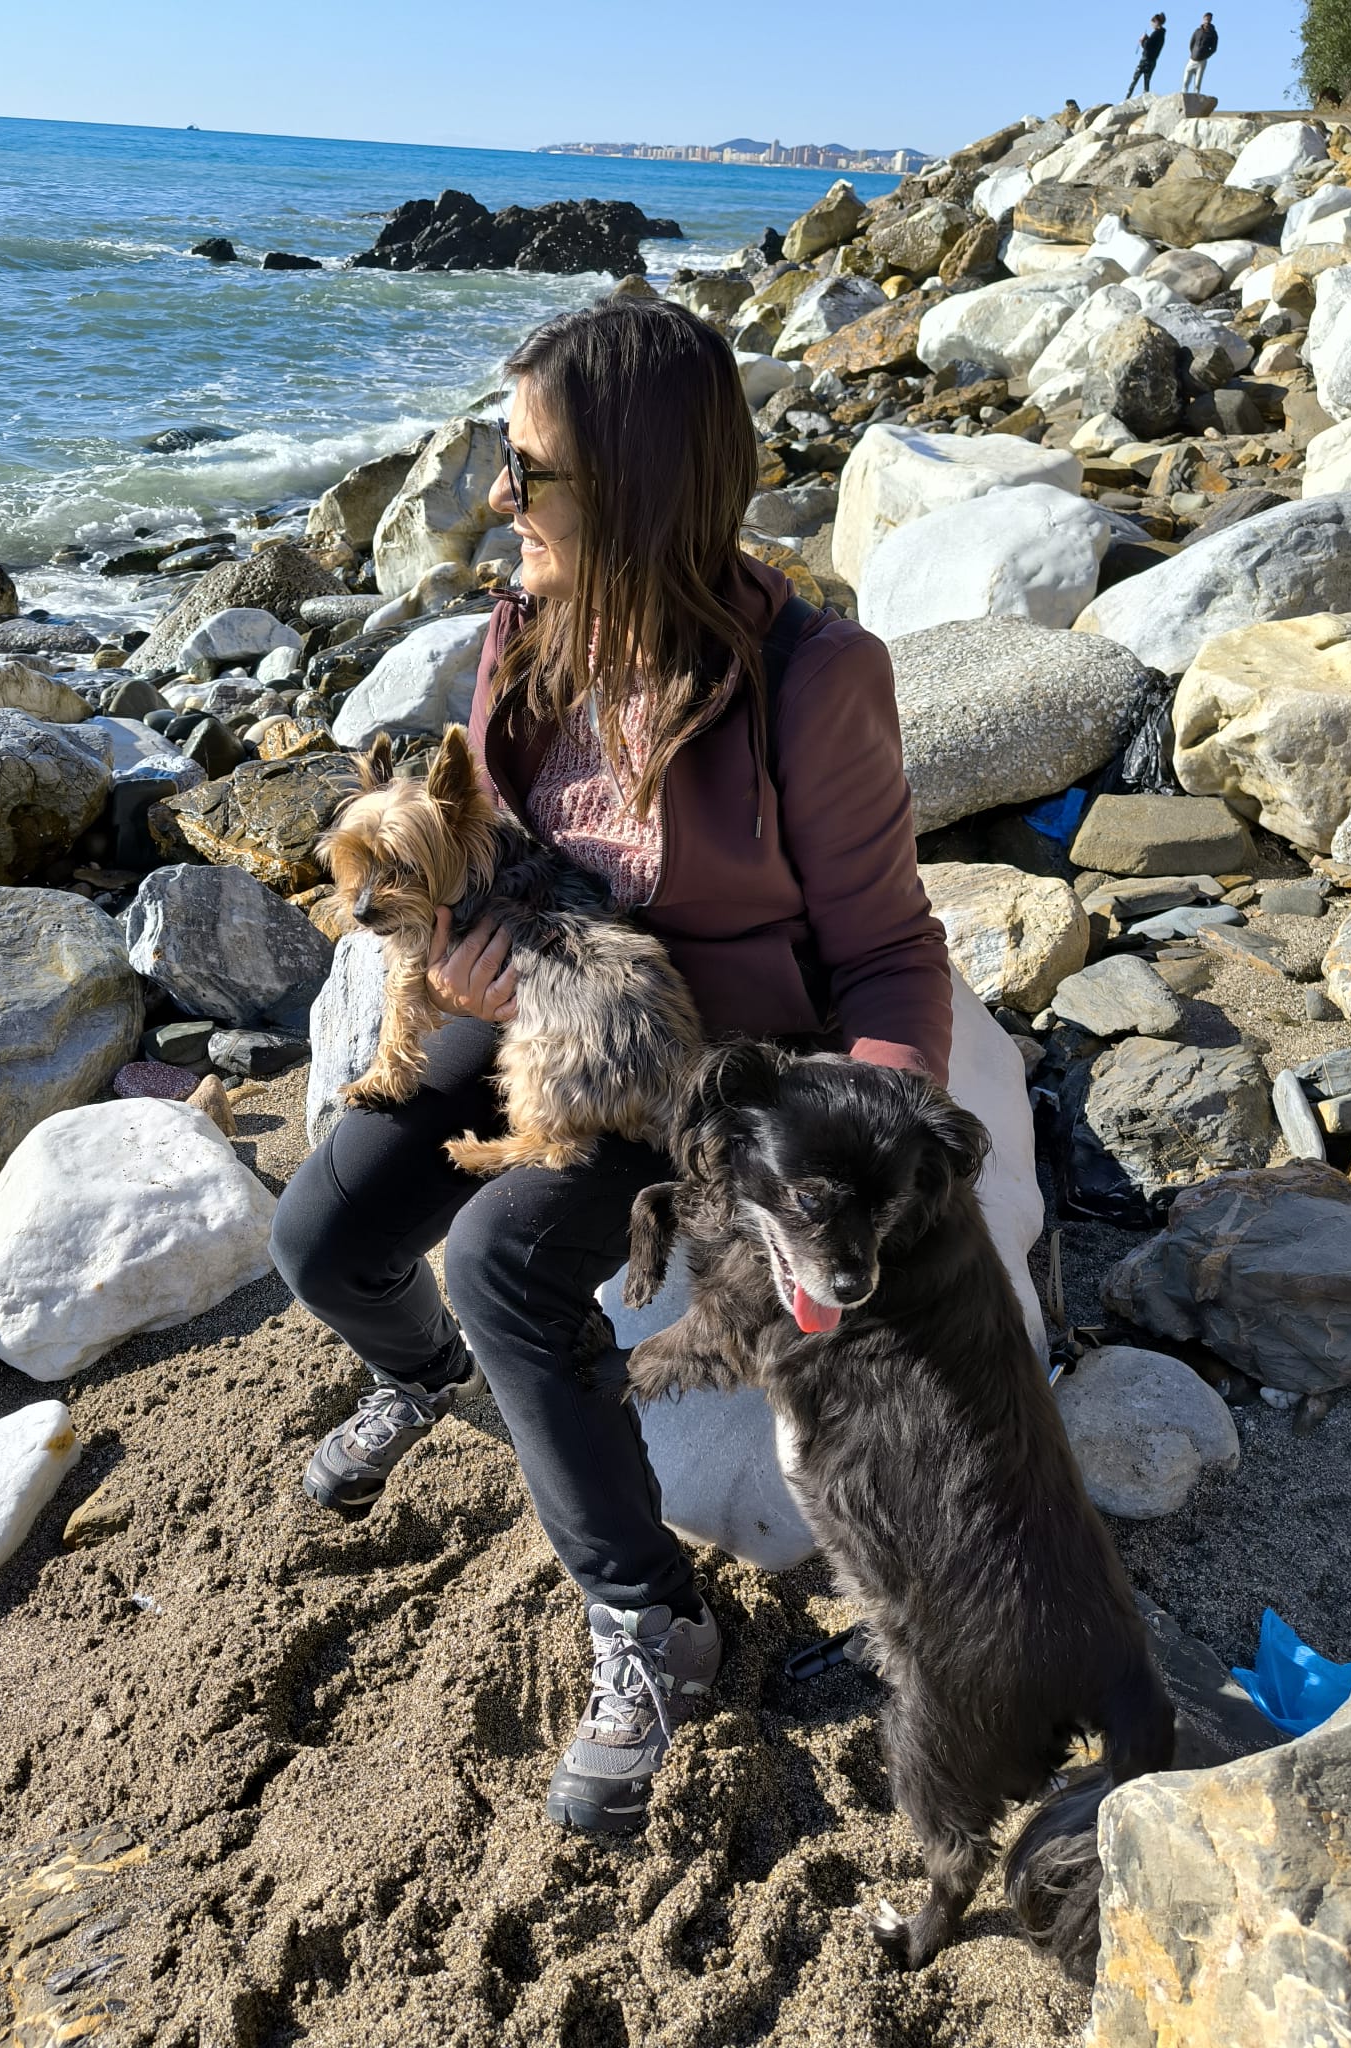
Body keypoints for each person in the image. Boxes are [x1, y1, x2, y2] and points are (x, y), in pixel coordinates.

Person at [270, 298, 952, 1836]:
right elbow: (486, 849)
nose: (497, 495)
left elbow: (891, 953)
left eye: (529, 471)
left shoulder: (812, 680)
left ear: (636, 488)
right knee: (318, 1236)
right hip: (539, 1000)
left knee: (503, 1256)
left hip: (699, 1061)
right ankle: (421, 1378)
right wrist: (453, 956)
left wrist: (868, 1152)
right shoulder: (526, 630)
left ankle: (655, 1617)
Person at [1128, 13, 1167, 95]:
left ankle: (1127, 97)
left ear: (1156, 22)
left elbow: (1147, 46)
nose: (1152, 26)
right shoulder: (1161, 34)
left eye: (1152, 23)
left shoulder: (1156, 33)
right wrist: (1147, 39)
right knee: (1147, 82)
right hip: (1153, 61)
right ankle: (1146, 97)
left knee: (1135, 79)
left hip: (1146, 60)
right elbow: (1152, 45)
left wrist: (1142, 40)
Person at [1184, 11, 1218, 91]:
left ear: (1211, 20)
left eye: (1209, 19)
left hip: (1202, 62)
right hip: (1192, 60)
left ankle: (1196, 96)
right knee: (1185, 82)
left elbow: (1213, 48)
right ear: (1203, 19)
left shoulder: (1213, 33)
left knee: (1197, 84)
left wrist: (1205, 55)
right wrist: (1193, 53)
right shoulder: (1197, 31)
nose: (1207, 21)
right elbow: (1191, 43)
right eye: (1206, 19)